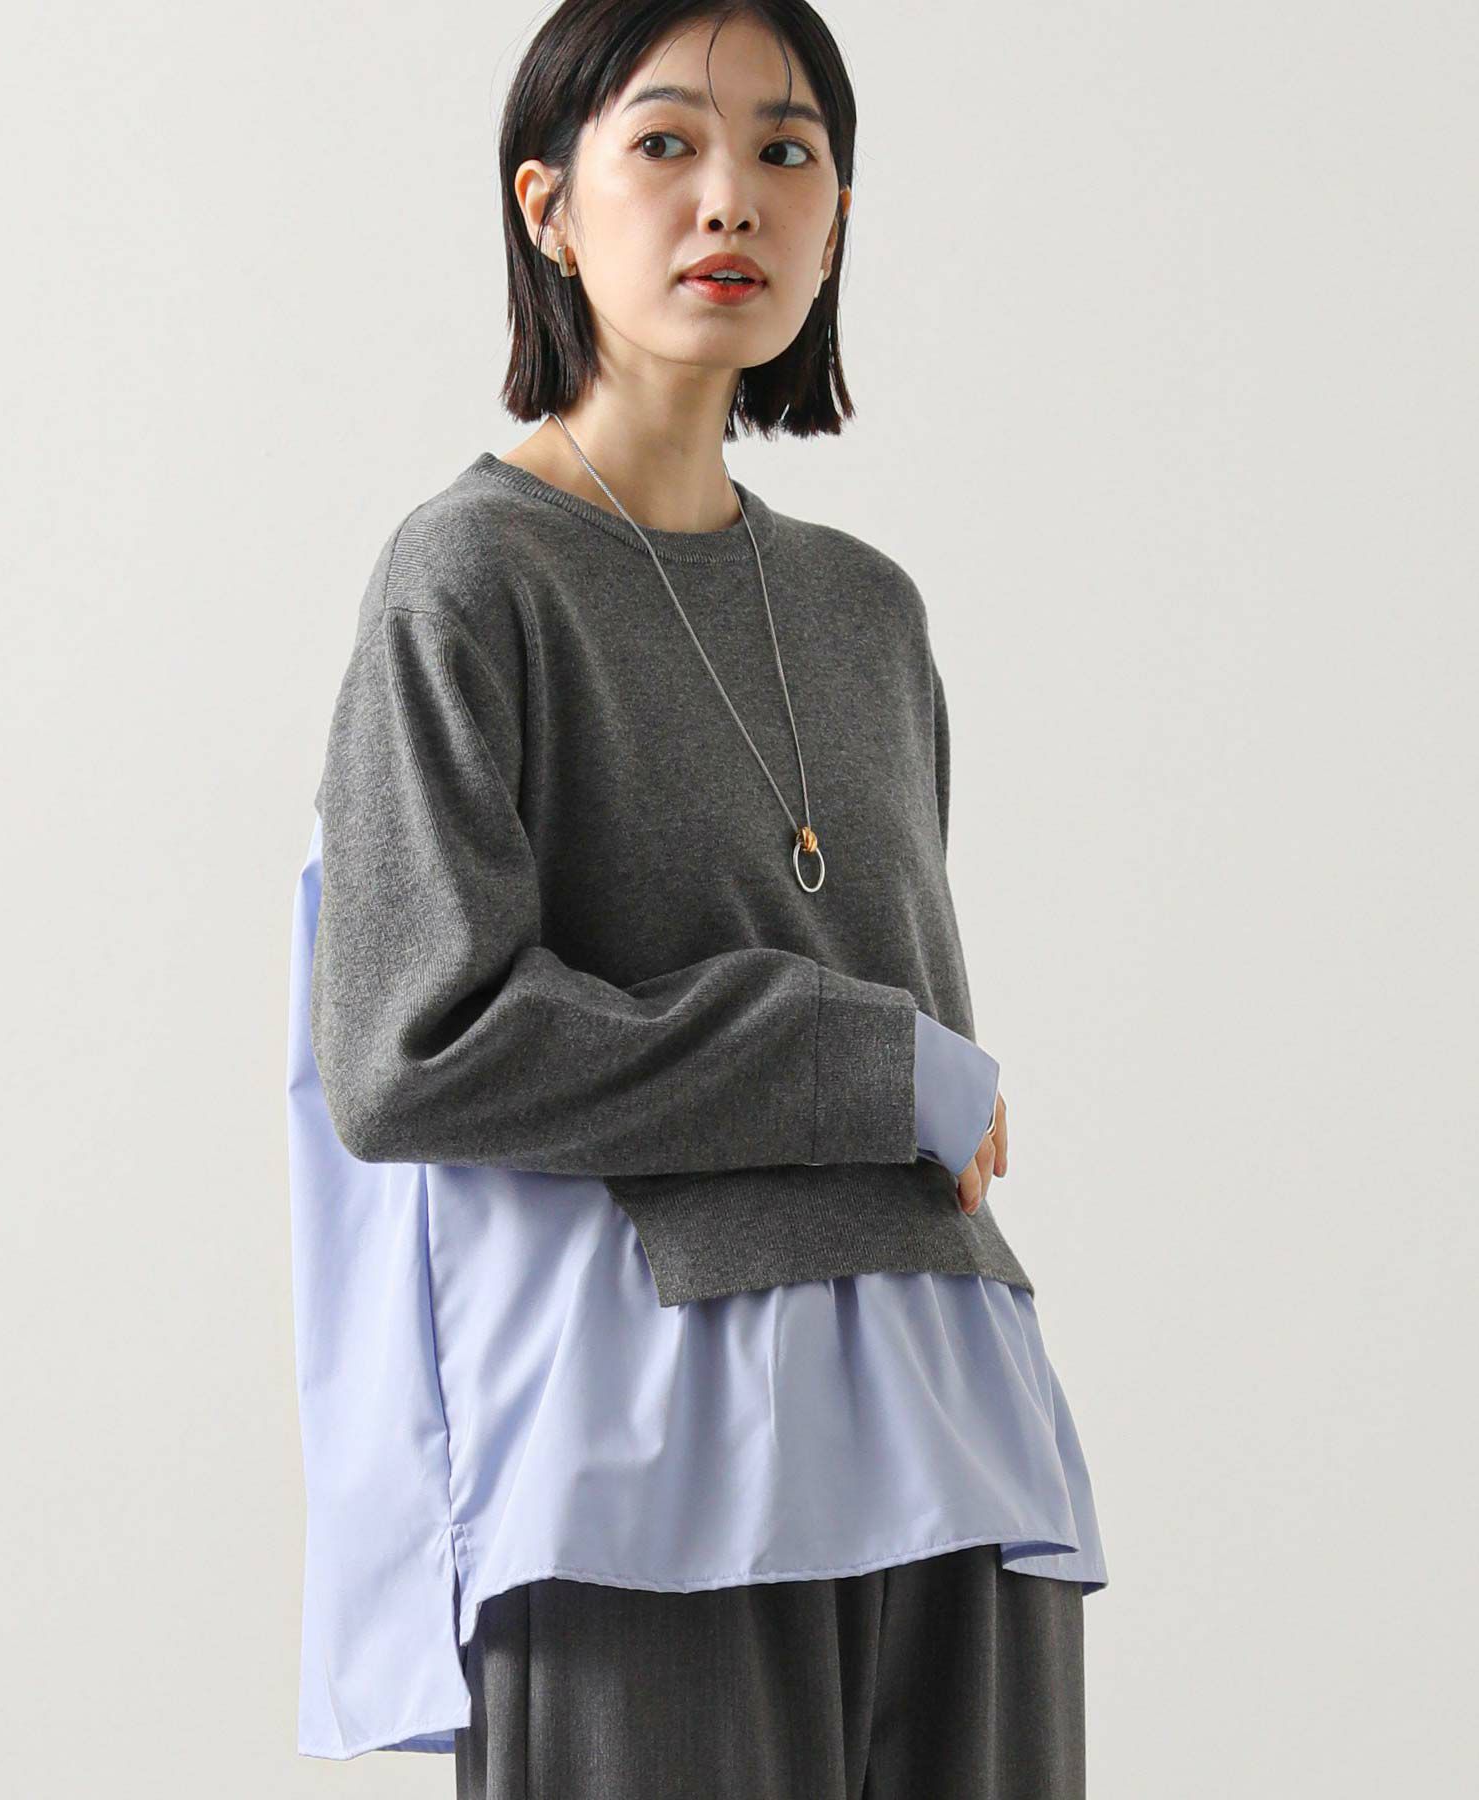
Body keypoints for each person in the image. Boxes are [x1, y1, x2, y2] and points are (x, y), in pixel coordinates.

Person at [287, 3, 1108, 1793]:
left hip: (955, 1429)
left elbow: (919, 1057)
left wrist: (902, 1077)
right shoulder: (470, 577)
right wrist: (862, 1065)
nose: (730, 195)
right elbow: (412, 1053)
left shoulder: (869, 611)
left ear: (837, 221)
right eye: (664, 142)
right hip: (647, 1469)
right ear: (548, 207)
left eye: (787, 151)